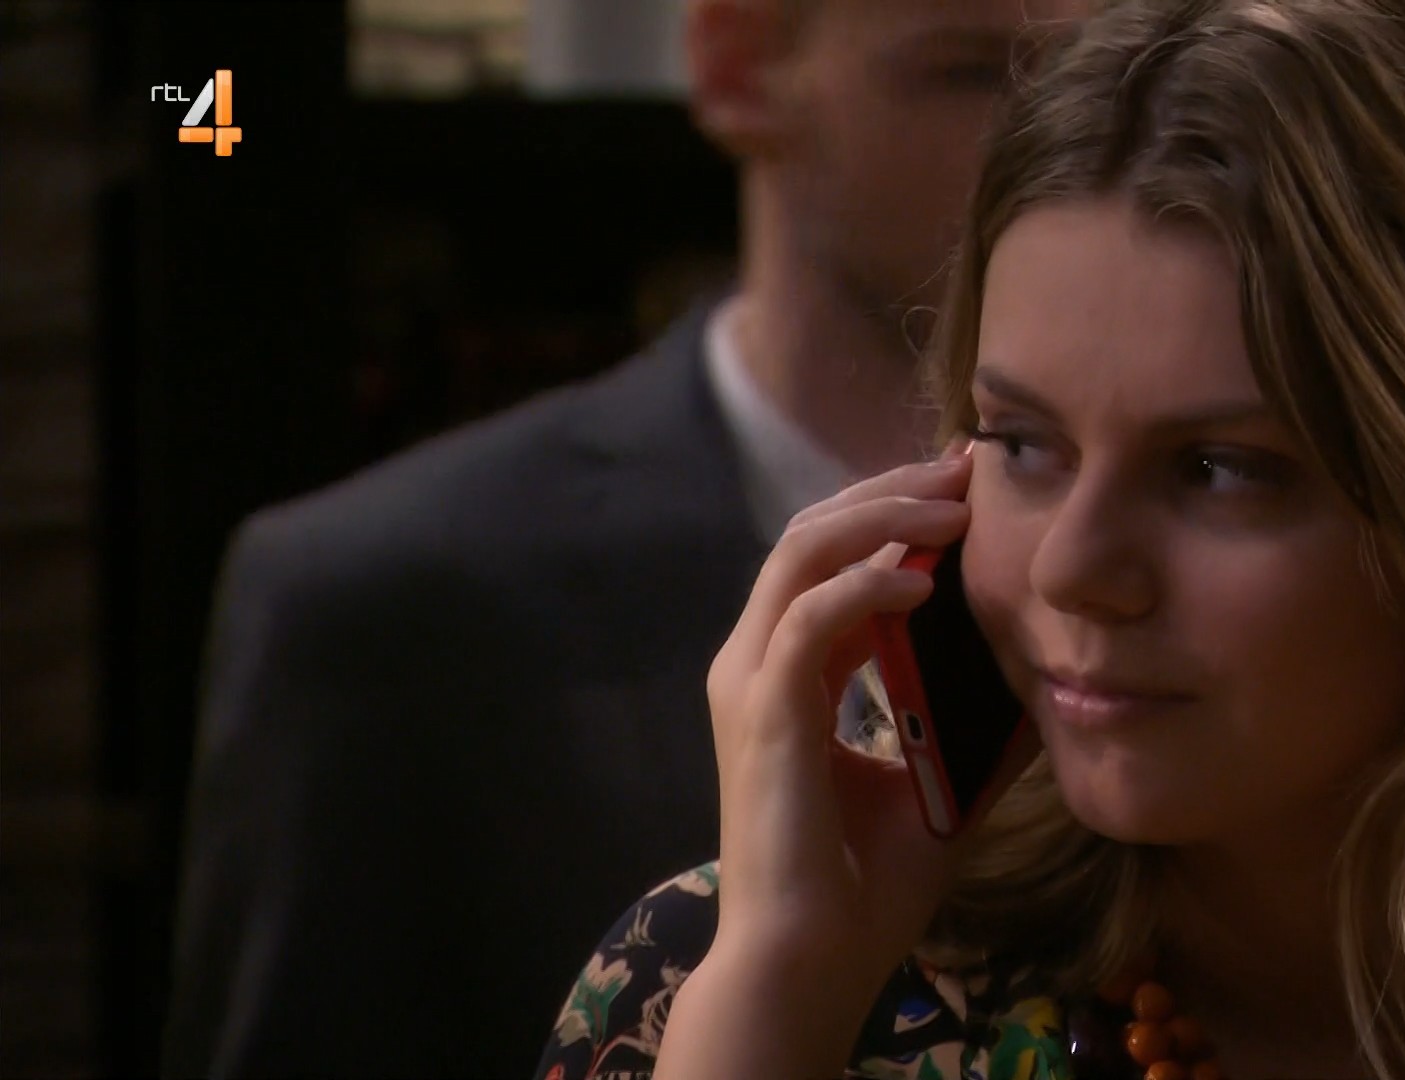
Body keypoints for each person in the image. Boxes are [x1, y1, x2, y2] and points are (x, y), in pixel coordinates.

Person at [533, 0, 1405, 1077]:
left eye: (1218, 470)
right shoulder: (739, 983)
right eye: (1023, 444)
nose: (1074, 569)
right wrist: (778, 1002)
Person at [161, 1, 1090, 1076]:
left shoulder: (1163, 587)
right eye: (971, 73)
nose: (1062, 136)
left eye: (1086, 65)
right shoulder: (383, 599)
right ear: (739, 64)